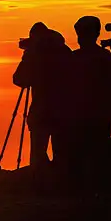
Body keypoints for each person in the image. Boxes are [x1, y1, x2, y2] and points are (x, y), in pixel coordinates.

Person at [13, 22, 72, 168]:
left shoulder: (34, 53)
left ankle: (38, 183)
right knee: (62, 155)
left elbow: (19, 79)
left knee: (38, 156)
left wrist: (27, 58)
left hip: (41, 112)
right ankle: (61, 184)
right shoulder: (65, 51)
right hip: (64, 111)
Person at [69, 16, 111, 172]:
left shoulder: (75, 58)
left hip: (86, 115)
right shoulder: (106, 57)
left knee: (88, 154)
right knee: (97, 155)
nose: (79, 38)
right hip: (98, 114)